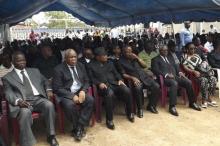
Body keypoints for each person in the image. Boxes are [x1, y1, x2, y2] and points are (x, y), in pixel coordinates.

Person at [2, 51, 58, 146]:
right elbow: (8, 92)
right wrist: (18, 101)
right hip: (23, 102)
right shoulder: (7, 77)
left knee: (49, 105)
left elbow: (45, 81)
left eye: (23, 60)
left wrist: (48, 89)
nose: (22, 62)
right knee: (25, 113)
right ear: (13, 62)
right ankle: (27, 143)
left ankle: (51, 136)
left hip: (38, 99)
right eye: (19, 61)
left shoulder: (34, 71)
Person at [52, 49, 94, 141]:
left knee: (90, 100)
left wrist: (83, 91)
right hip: (66, 93)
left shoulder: (81, 66)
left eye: (75, 57)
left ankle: (79, 126)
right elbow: (57, 88)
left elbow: (87, 81)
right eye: (71, 57)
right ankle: (79, 128)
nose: (74, 59)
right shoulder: (58, 69)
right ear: (65, 58)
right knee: (70, 105)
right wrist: (72, 96)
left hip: (80, 91)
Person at [88, 47, 134, 130]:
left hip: (114, 83)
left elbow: (116, 73)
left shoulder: (110, 63)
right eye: (104, 55)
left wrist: (120, 79)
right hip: (103, 86)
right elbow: (90, 78)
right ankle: (109, 120)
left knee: (127, 90)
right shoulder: (90, 65)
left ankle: (130, 112)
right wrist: (99, 83)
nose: (106, 57)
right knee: (109, 94)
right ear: (97, 57)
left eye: (106, 55)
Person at [151, 45, 201, 116]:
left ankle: (192, 103)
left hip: (175, 76)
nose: (166, 52)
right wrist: (166, 75)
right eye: (164, 50)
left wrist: (180, 72)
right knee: (174, 83)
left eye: (166, 50)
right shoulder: (155, 59)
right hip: (165, 79)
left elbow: (176, 66)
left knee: (188, 82)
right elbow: (155, 70)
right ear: (160, 51)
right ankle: (172, 107)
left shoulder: (170, 57)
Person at [119, 46, 160, 117]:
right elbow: (123, 74)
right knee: (138, 89)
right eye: (127, 52)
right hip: (135, 79)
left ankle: (151, 105)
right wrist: (132, 78)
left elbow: (144, 66)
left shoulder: (135, 58)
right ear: (123, 53)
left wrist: (137, 58)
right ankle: (140, 109)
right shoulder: (120, 61)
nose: (129, 53)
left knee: (156, 86)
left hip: (144, 77)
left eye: (130, 51)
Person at [181, 42, 217, 108]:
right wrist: (194, 71)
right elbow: (185, 68)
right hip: (194, 75)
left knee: (213, 79)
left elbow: (201, 64)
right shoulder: (184, 57)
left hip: (203, 73)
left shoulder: (196, 55)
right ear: (187, 49)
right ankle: (204, 101)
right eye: (191, 49)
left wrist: (206, 65)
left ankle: (209, 98)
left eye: (194, 48)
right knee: (204, 80)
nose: (193, 50)